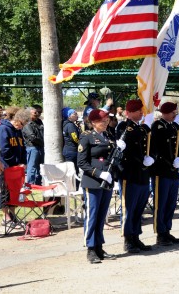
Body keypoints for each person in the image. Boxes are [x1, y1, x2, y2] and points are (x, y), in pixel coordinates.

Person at [77, 109, 117, 264]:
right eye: (102, 121)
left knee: (101, 216)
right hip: (93, 181)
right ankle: (91, 248)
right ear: (93, 122)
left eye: (107, 120)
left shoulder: (108, 135)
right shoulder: (86, 137)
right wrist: (99, 173)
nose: (106, 122)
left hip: (107, 181)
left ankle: (99, 246)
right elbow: (81, 162)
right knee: (92, 216)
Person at [116, 100, 154, 253]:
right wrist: (146, 126)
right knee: (129, 208)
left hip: (142, 172)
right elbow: (132, 137)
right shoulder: (124, 126)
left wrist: (152, 157)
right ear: (129, 112)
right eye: (137, 110)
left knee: (139, 207)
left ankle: (136, 236)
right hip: (129, 172)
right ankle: (127, 239)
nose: (141, 112)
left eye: (141, 110)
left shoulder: (140, 127)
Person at [149, 102, 179, 246]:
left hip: (172, 170)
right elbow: (161, 139)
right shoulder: (158, 125)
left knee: (171, 202)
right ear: (165, 113)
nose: (175, 115)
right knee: (161, 203)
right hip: (161, 169)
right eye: (173, 113)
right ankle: (160, 233)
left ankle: (167, 230)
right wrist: (176, 125)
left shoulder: (172, 126)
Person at [0, 107, 29, 223]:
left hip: (17, 167)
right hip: (5, 166)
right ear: (16, 119)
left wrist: (23, 162)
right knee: (5, 190)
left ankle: (13, 214)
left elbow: (23, 147)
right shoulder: (3, 128)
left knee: (15, 191)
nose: (22, 126)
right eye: (21, 123)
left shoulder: (18, 131)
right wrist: (14, 163)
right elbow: (4, 150)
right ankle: (5, 216)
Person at [22, 105, 44, 184]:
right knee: (32, 167)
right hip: (32, 147)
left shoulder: (39, 122)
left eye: (40, 112)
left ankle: (38, 184)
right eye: (36, 112)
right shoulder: (27, 123)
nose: (38, 114)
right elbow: (32, 137)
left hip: (40, 147)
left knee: (40, 167)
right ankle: (30, 184)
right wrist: (43, 142)